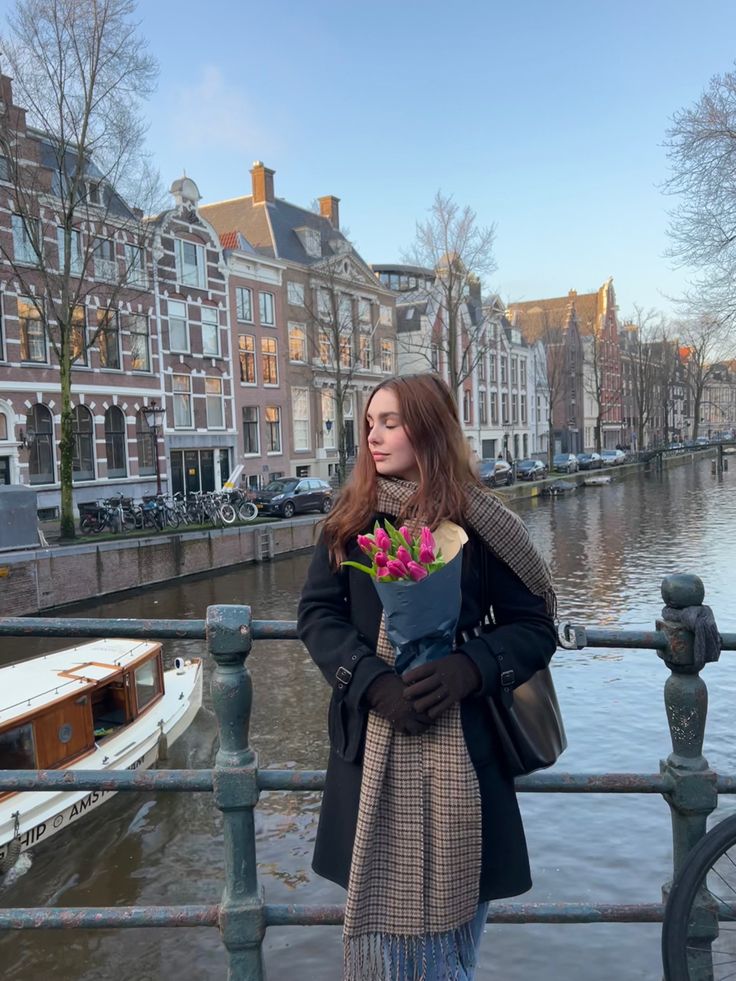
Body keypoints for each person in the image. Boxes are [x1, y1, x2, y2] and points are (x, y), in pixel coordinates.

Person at [297, 373, 558, 980]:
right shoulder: (349, 519)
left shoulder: (486, 526)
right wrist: (369, 680)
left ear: (431, 429)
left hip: (467, 754)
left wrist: (471, 668)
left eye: (390, 423)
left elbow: (533, 626)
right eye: (369, 424)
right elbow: (317, 614)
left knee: (456, 949)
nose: (373, 437)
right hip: (373, 759)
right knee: (395, 959)